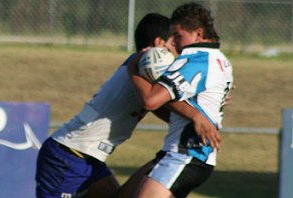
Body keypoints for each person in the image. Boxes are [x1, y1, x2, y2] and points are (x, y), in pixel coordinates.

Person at [35, 13, 220, 198]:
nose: (179, 49)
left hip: (85, 157)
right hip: (67, 158)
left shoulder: (141, 66)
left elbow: (162, 105)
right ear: (159, 43)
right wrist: (197, 114)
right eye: (174, 42)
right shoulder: (150, 60)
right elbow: (167, 102)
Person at [119, 2, 234, 198]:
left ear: (198, 33)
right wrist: (195, 114)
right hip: (186, 155)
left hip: (186, 155)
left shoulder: (193, 60)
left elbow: (150, 100)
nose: (173, 42)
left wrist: (132, 70)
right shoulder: (221, 60)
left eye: (178, 36)